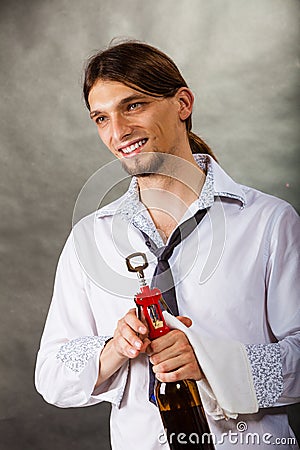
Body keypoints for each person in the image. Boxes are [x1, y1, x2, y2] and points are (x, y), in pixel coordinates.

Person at [35, 41, 300, 450]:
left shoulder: (270, 222)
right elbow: (52, 376)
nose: (118, 132)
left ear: (183, 103)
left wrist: (211, 364)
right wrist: (114, 349)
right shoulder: (89, 239)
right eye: (101, 118)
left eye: (133, 106)